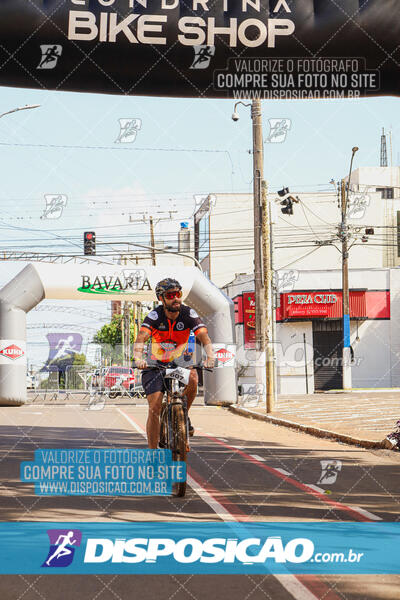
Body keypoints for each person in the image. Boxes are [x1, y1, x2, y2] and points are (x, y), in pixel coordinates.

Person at [133, 278, 214, 449]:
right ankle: (153, 453)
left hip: (180, 364)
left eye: (178, 294)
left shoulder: (188, 314)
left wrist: (210, 356)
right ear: (161, 299)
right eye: (170, 295)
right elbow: (141, 338)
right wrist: (138, 359)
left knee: (193, 377)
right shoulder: (155, 316)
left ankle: (183, 414)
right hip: (156, 365)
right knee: (154, 409)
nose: (176, 298)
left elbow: (203, 336)